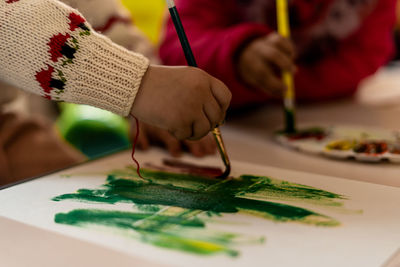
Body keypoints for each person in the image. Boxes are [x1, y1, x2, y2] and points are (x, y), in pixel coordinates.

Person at [0, 0, 231, 184]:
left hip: (9, 129)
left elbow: (110, 26)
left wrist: (155, 86)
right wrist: (139, 84)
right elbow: (8, 25)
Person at [159, 0, 396, 108]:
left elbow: (367, 55)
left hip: (321, 118)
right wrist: (238, 54)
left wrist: (281, 81)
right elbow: (177, 48)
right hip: (232, 131)